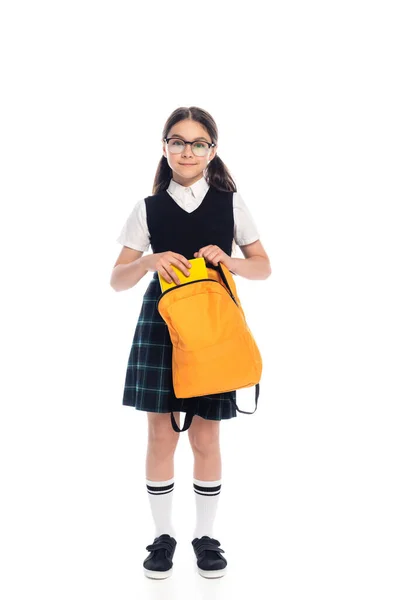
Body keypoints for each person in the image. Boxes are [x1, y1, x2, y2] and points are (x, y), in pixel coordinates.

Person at [110, 106, 271, 579]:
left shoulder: (231, 203)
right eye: (177, 141)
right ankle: (162, 539)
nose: (187, 150)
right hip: (160, 325)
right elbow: (116, 280)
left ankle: (207, 538)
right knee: (160, 433)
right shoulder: (147, 207)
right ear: (164, 147)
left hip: (214, 327)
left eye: (198, 143)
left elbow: (264, 265)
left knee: (206, 435)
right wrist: (147, 261)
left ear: (212, 151)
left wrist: (230, 260)